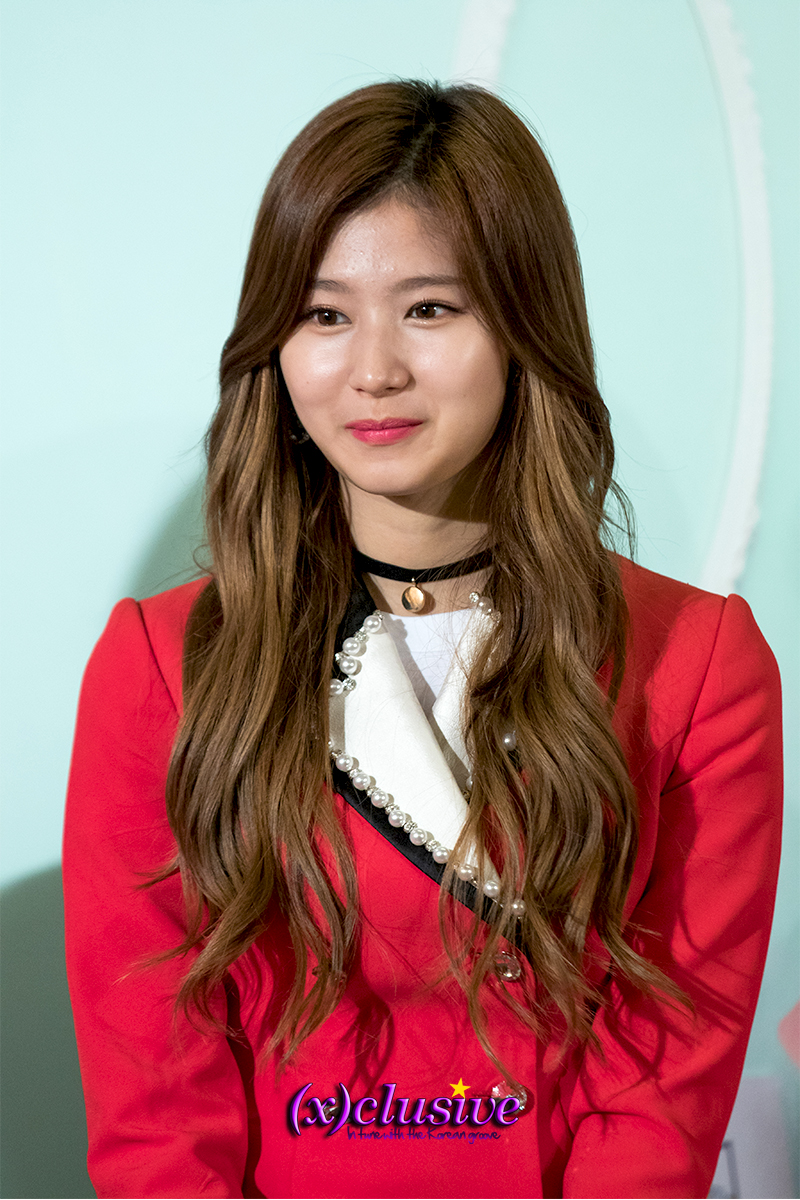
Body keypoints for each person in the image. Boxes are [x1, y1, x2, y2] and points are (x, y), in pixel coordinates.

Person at [63, 80, 782, 1200]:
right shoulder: (164, 662)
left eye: (430, 309)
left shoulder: (695, 663)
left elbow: (662, 1083)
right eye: (324, 315)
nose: (373, 370)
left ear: (525, 322)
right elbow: (156, 1112)